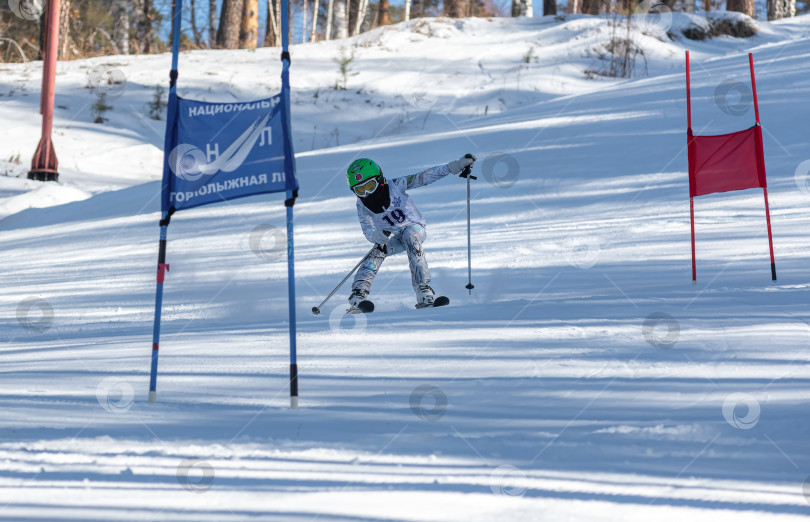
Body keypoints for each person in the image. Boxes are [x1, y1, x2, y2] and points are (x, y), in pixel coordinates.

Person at [346, 154, 476, 309]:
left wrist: (454, 166)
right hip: (395, 237)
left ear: (380, 180)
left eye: (370, 186)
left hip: (415, 228)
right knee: (377, 252)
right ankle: (358, 296)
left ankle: (423, 290)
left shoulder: (396, 185)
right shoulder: (362, 205)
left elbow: (424, 177)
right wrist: (375, 236)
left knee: (410, 236)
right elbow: (367, 228)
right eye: (360, 190)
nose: (367, 193)